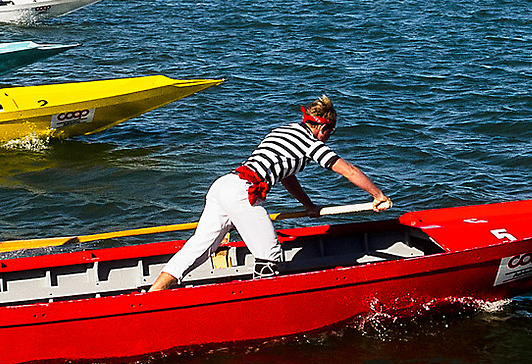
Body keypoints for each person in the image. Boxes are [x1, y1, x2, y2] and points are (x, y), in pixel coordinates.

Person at [144, 96, 390, 294]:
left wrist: (308, 205)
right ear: (323, 127)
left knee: (199, 248)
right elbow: (348, 170)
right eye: (331, 132)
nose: (329, 138)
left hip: (223, 185)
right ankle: (261, 304)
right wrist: (378, 195)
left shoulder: (281, 132)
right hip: (243, 193)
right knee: (270, 253)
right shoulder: (310, 144)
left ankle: (153, 295)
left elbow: (286, 176)